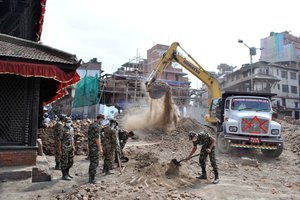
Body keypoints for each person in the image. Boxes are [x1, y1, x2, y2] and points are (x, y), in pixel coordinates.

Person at [87, 114, 105, 184]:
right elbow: (97, 138)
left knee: (92, 162)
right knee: (94, 163)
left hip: (91, 146)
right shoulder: (97, 126)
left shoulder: (92, 125)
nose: (102, 121)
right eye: (102, 119)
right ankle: (91, 179)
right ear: (100, 118)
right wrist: (100, 149)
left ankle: (91, 178)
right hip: (95, 147)